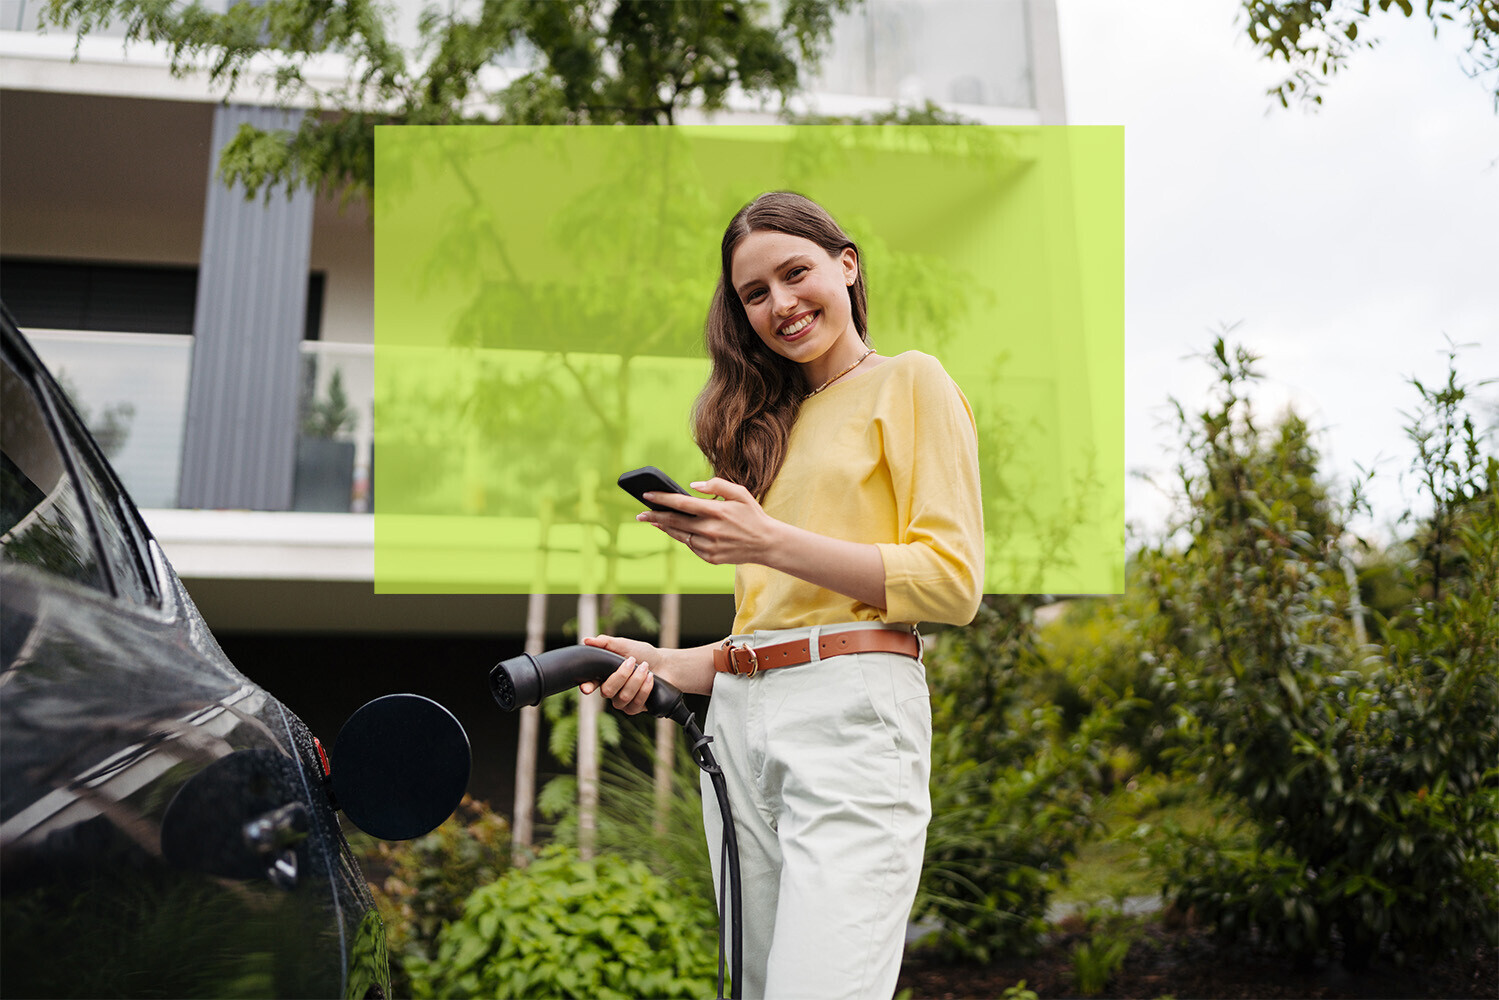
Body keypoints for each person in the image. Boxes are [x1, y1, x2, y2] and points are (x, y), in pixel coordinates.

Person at [581, 190, 983, 1000]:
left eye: (794, 274)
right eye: (753, 295)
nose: (780, 305)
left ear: (846, 263)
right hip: (741, 723)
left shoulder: (910, 383)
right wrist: (674, 662)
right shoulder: (768, 427)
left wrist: (768, 540)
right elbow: (776, 625)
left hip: (853, 720)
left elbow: (950, 582)